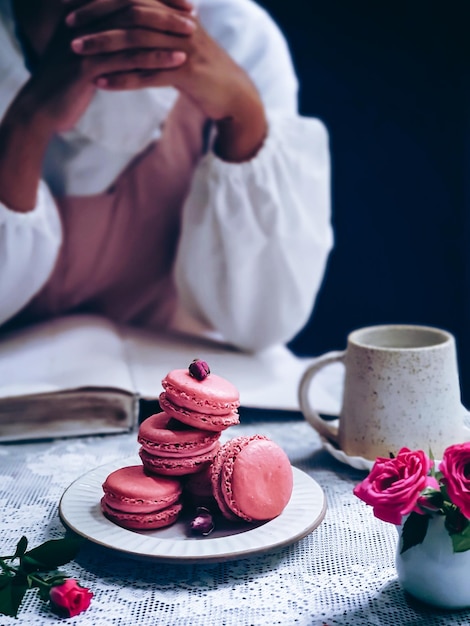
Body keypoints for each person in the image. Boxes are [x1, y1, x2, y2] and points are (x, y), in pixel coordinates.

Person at [0, 0, 333, 352]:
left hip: (168, 373)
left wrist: (243, 116)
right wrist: (28, 121)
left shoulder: (236, 34)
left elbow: (260, 323)